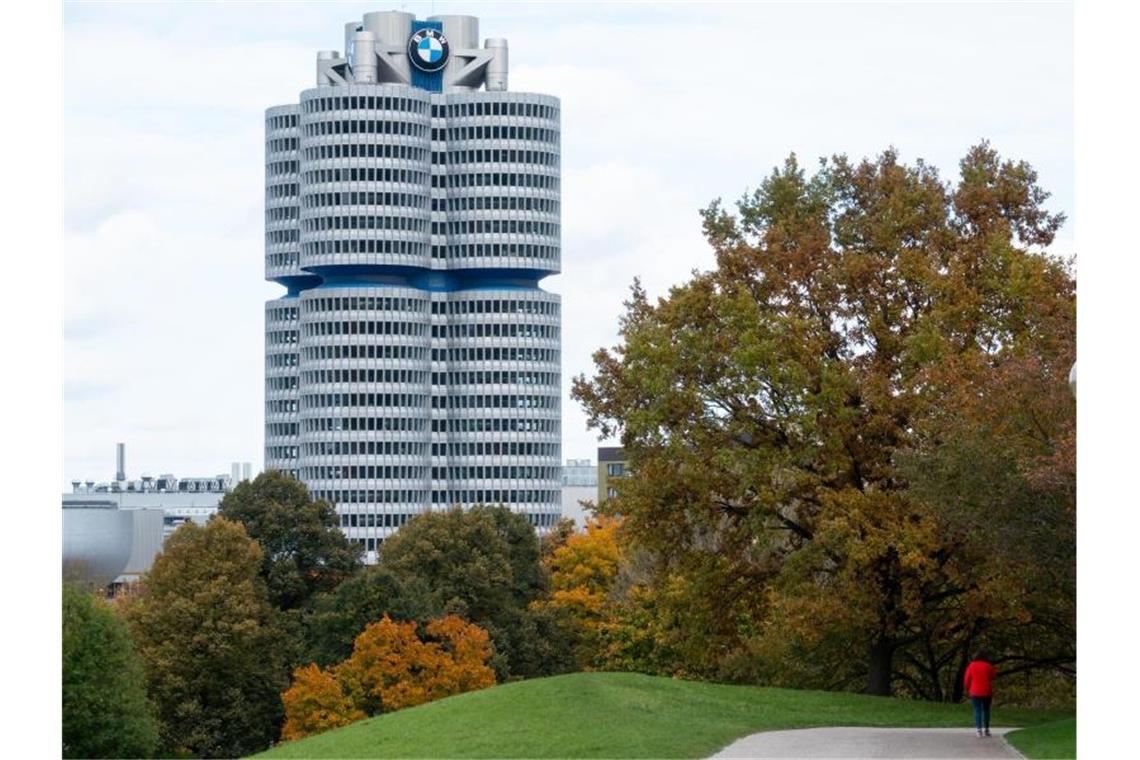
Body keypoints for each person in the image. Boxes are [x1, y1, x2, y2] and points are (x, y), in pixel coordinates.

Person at [963, 652, 998, 737]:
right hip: (987, 691)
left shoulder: (971, 665)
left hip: (975, 691)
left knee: (977, 710)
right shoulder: (988, 665)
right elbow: (994, 676)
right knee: (986, 710)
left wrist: (967, 689)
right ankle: (986, 729)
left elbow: (967, 679)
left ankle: (979, 730)